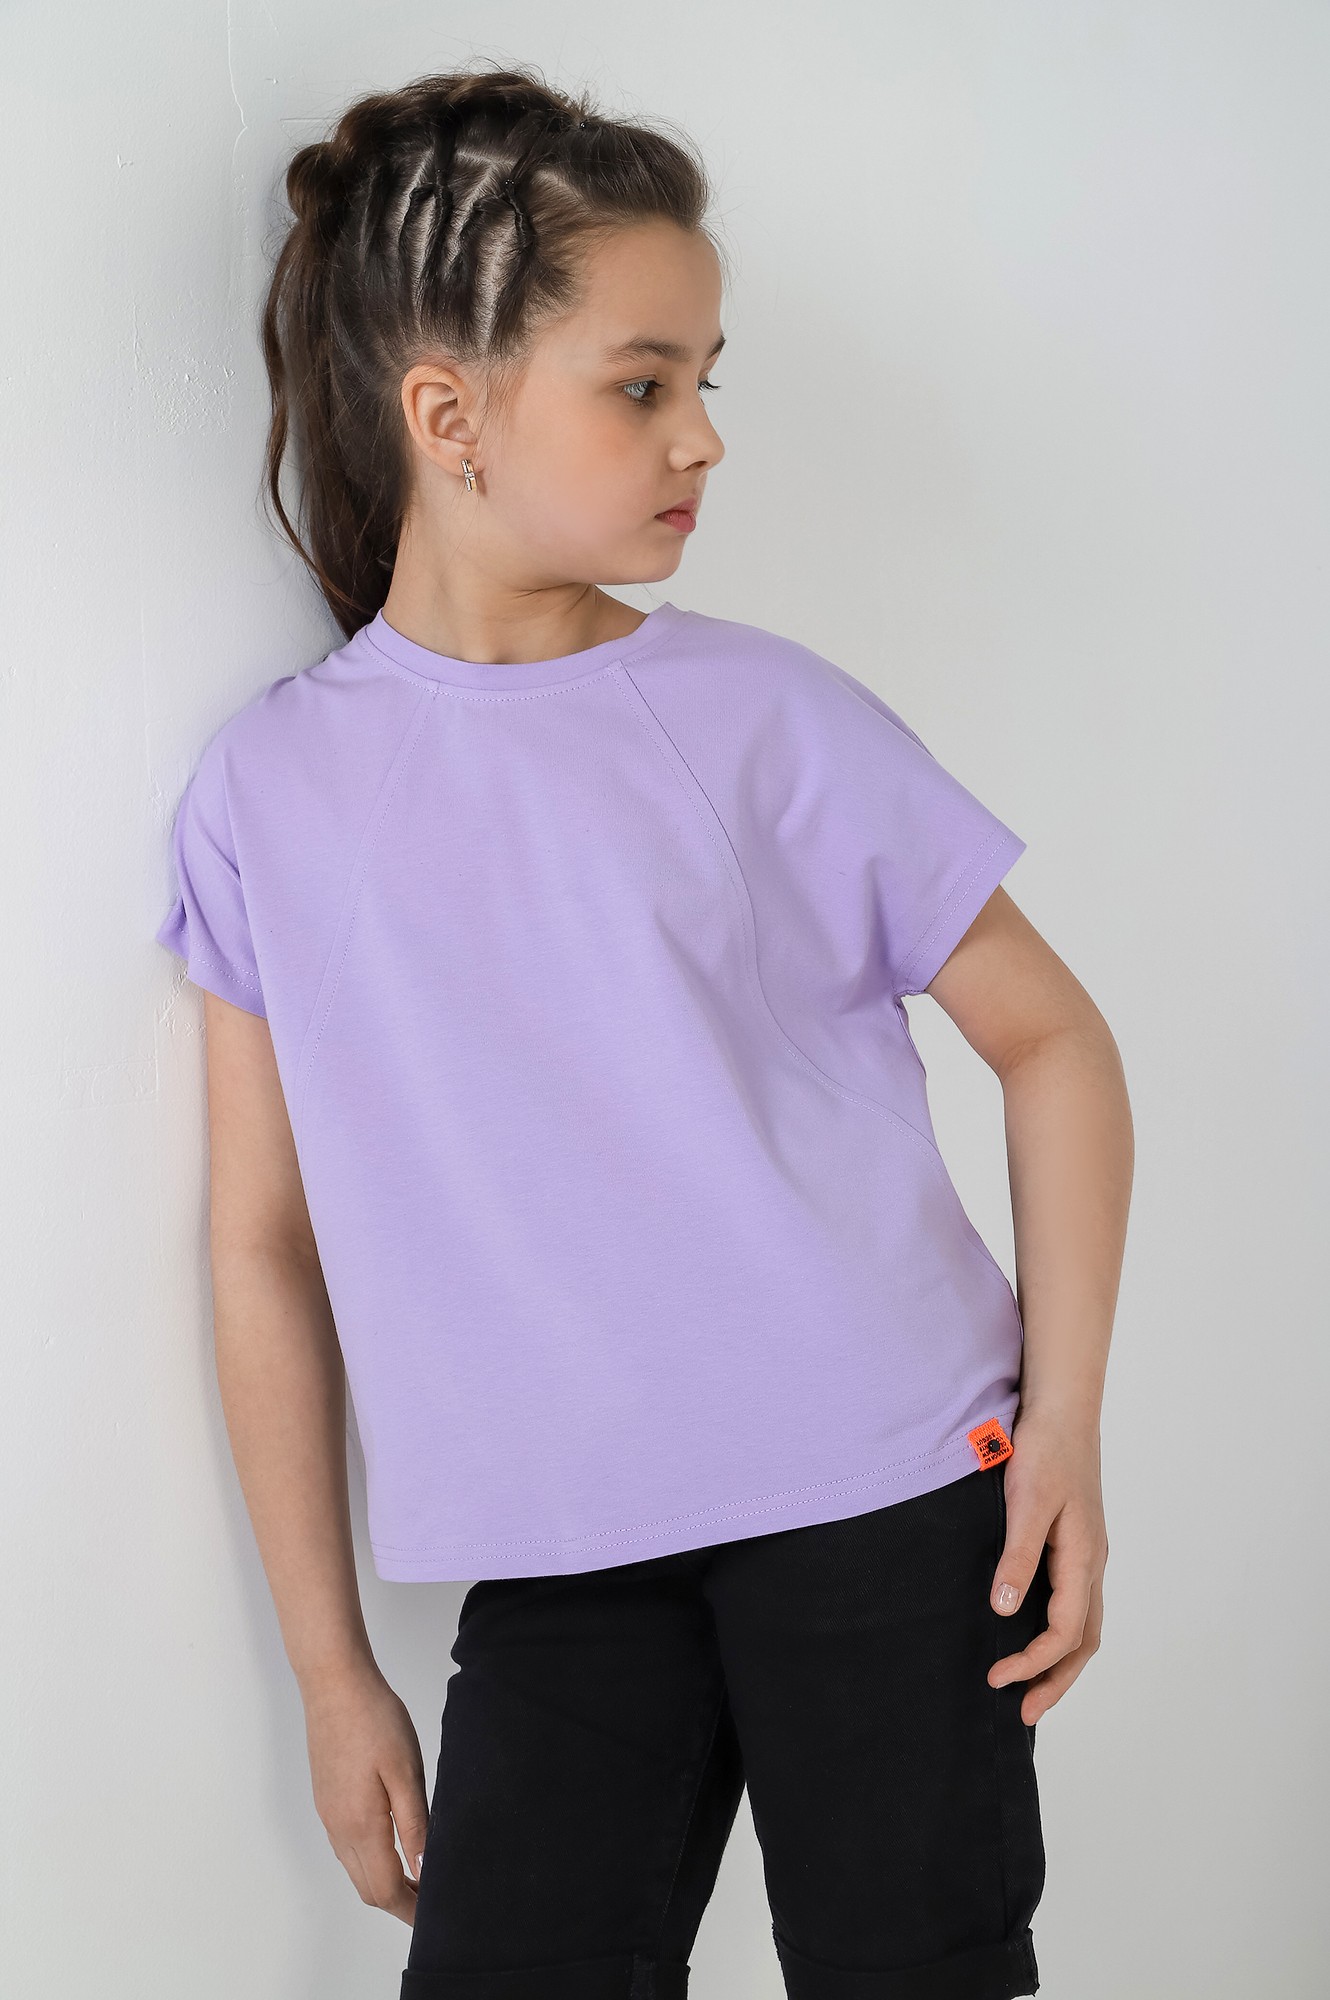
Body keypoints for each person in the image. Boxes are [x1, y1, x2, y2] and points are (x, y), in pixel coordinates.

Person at [153, 62, 1131, 2000]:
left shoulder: (768, 721)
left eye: (703, 378)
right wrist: (329, 1669)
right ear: (447, 415)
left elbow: (1053, 1043)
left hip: (887, 1491)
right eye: (641, 382)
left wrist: (1065, 1435)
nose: (701, 435)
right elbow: (262, 1242)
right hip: (562, 1557)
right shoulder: (269, 794)